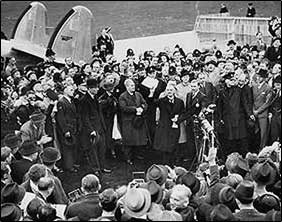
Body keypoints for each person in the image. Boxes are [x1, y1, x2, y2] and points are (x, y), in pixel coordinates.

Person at [79, 78, 111, 173]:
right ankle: (95, 168)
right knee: (93, 150)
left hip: (100, 127)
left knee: (102, 149)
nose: (97, 89)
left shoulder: (95, 98)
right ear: (90, 88)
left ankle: (102, 167)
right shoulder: (84, 100)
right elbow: (85, 117)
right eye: (95, 88)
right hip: (93, 129)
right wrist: (91, 130)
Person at [119, 78, 149, 165]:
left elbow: (145, 103)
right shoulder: (122, 96)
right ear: (127, 87)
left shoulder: (138, 95)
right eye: (131, 85)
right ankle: (128, 157)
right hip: (128, 121)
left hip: (138, 121)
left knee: (138, 139)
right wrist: (135, 109)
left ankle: (137, 155)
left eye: (134, 85)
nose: (134, 87)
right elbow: (123, 108)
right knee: (128, 141)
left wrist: (142, 108)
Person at [154, 83, 184, 166]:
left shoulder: (180, 102)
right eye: (168, 90)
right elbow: (152, 104)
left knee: (174, 144)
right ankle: (165, 165)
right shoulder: (161, 101)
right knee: (165, 146)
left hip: (175, 126)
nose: (169, 92)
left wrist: (178, 119)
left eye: (171, 90)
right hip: (164, 126)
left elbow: (183, 113)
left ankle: (173, 164)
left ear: (174, 91)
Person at [55, 85, 79, 173]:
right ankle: (68, 166)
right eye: (71, 90)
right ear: (65, 91)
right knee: (67, 148)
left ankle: (72, 163)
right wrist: (65, 130)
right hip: (67, 128)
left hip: (72, 127)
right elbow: (61, 118)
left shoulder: (70, 101)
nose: (73, 91)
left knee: (72, 146)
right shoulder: (61, 102)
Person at [252, 69, 273, 150]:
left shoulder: (268, 88)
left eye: (260, 77)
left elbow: (267, 103)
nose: (258, 78)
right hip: (254, 112)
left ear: (264, 78)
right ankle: (254, 149)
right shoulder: (254, 87)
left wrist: (258, 111)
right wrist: (253, 110)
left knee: (263, 134)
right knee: (254, 132)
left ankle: (262, 149)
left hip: (262, 114)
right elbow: (252, 100)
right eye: (258, 76)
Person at [268, 75, 281, 143]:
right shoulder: (273, 93)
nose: (277, 86)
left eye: (279, 84)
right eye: (276, 84)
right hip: (274, 117)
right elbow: (270, 103)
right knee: (274, 135)